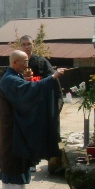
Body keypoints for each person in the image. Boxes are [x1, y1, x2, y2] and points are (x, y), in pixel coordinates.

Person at [0, 50, 65, 189]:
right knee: (14, 157)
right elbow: (29, 91)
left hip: (16, 125)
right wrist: (52, 77)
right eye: (24, 62)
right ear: (15, 63)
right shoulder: (9, 80)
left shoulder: (14, 77)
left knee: (19, 157)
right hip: (13, 128)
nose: (27, 65)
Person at [20, 35, 64, 171]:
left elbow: (52, 79)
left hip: (39, 103)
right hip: (23, 103)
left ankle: (35, 159)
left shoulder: (42, 62)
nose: (27, 47)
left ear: (33, 45)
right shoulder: (17, 62)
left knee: (38, 133)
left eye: (29, 44)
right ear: (20, 46)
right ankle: (26, 160)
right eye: (24, 44)